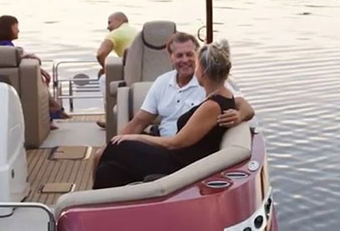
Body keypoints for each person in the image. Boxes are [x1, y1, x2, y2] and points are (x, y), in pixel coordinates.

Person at [91, 32, 255, 173]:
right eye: (179, 55)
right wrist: (116, 141)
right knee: (106, 166)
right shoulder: (162, 82)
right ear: (171, 58)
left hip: (179, 153)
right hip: (159, 143)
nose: (185, 60)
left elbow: (243, 105)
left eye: (190, 54)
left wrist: (240, 115)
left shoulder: (211, 85)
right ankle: (99, 204)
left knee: (116, 152)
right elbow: (140, 121)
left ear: (198, 56)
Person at [0, 15, 70, 123]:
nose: (18, 31)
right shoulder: (11, 51)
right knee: (41, 84)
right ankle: (54, 109)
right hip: (20, 90)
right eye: (15, 27)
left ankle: (54, 109)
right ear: (8, 29)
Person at [95, 12, 140, 128]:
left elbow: (100, 54)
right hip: (140, 73)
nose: (108, 27)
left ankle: (109, 118)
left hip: (128, 74)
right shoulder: (137, 32)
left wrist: (105, 69)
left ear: (120, 21)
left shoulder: (115, 34)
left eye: (109, 22)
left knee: (104, 79)